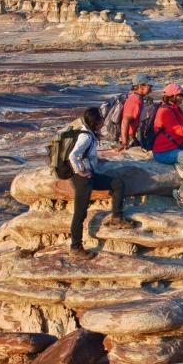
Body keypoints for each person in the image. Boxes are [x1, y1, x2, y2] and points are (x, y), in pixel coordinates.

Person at [69, 107, 137, 259]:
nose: (102, 121)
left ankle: (116, 218)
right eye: (100, 118)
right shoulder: (85, 136)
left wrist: (101, 158)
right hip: (83, 179)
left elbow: (87, 153)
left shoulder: (88, 133)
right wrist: (80, 171)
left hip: (89, 175)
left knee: (118, 184)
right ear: (95, 121)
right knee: (80, 214)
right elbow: (73, 156)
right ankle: (75, 247)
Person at [119, 73, 154, 149]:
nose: (151, 88)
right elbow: (125, 121)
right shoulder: (135, 100)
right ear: (141, 86)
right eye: (149, 85)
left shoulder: (135, 97)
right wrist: (125, 143)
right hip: (131, 139)